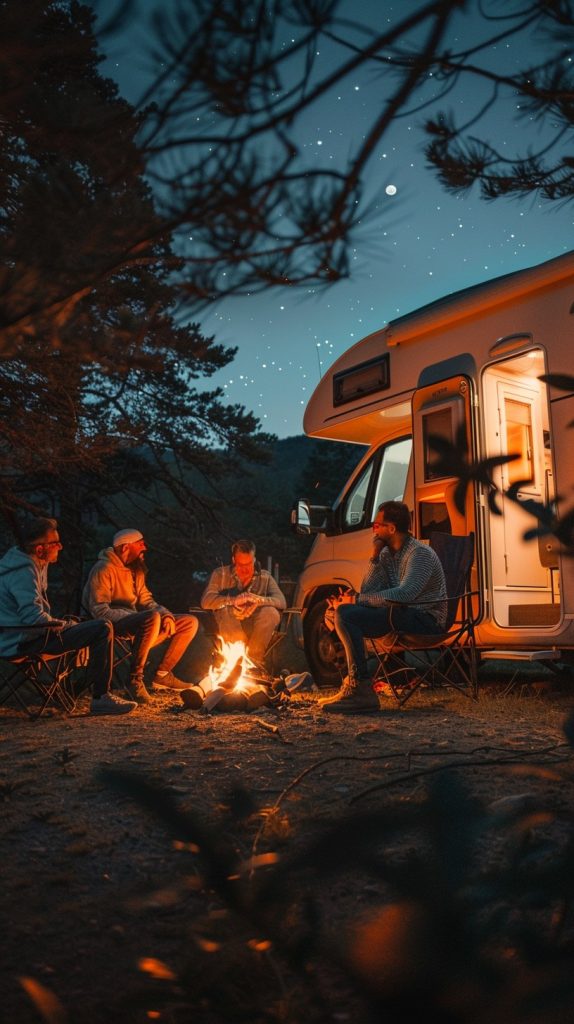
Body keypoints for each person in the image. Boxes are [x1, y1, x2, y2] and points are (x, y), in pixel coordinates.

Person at [0, 517, 136, 715]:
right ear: (39, 549)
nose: (60, 546)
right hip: (21, 642)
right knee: (102, 627)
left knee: (84, 624)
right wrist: (64, 627)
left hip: (25, 636)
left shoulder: (32, 562)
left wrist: (67, 625)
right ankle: (101, 697)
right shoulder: (23, 572)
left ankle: (72, 690)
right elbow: (32, 618)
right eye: (55, 543)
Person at [322, 500, 447, 714]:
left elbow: (405, 594)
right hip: (401, 615)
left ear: (391, 528)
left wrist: (356, 601)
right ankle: (355, 685)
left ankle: (360, 688)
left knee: (348, 614)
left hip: (426, 620)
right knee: (341, 612)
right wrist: (374, 557)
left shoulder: (419, 554)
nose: (374, 529)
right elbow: (369, 590)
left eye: (377, 525)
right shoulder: (388, 555)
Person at [82, 528, 198, 704]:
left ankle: (162, 675)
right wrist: (136, 616)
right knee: (151, 618)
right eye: (140, 545)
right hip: (110, 626)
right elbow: (99, 610)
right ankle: (134, 680)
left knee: (189, 622)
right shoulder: (103, 569)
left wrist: (165, 614)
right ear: (126, 548)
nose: (144, 549)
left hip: (140, 623)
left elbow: (146, 600)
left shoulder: (136, 570)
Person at [201, 539, 286, 669]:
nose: (246, 570)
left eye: (249, 564)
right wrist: (232, 601)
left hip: (257, 625)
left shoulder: (265, 577)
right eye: (241, 565)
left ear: (254, 559)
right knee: (224, 610)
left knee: (270, 612)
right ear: (234, 561)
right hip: (228, 624)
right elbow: (206, 600)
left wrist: (258, 600)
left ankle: (252, 663)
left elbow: (281, 601)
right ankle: (237, 661)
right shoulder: (220, 574)